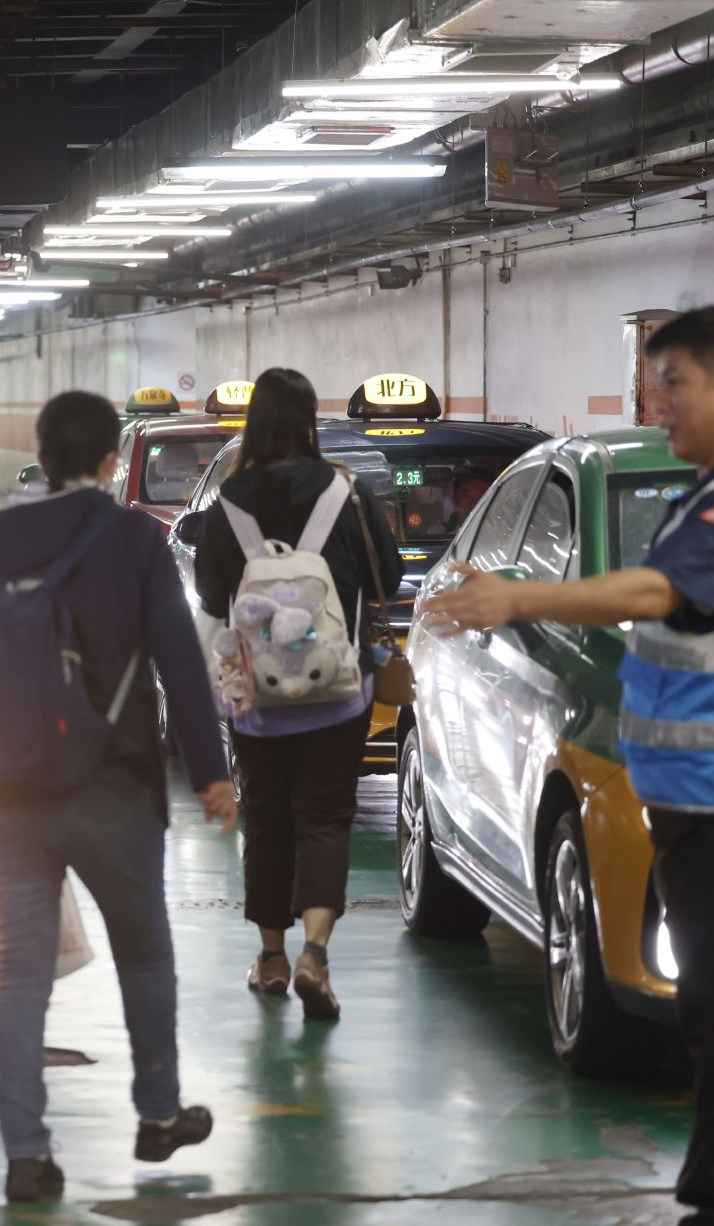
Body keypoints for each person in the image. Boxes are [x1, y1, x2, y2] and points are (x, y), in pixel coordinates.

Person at [420, 306, 714, 1226]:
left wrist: (517, 597)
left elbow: (656, 590)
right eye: (653, 384)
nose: (658, 404)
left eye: (674, 385)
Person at [0, 390, 238, 1205]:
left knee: (19, 973)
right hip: (111, 783)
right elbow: (180, 661)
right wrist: (213, 773)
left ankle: (26, 1156)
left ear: (40, 456)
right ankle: (156, 1115)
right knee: (143, 951)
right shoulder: (131, 538)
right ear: (112, 461)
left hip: (8, 792)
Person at [192, 368, 402, 1020]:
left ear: (254, 423)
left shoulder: (229, 504)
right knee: (325, 818)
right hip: (337, 692)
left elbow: (207, 595)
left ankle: (273, 959)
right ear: (311, 422)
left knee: (270, 820)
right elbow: (387, 577)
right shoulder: (349, 494)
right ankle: (317, 951)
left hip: (258, 700)